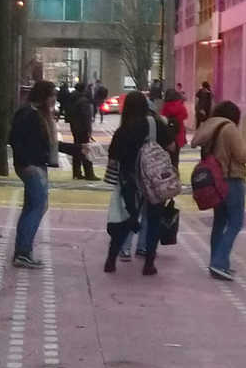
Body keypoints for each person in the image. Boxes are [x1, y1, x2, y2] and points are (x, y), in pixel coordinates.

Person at [104, 91, 171, 276]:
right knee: (154, 219)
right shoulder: (154, 123)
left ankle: (112, 258)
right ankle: (149, 262)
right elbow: (171, 145)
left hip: (130, 180)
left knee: (125, 218)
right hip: (154, 179)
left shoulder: (124, 129)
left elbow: (114, 156)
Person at [192, 100, 246, 281]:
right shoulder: (229, 129)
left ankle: (216, 262)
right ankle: (219, 263)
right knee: (236, 222)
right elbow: (242, 155)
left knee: (219, 222)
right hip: (232, 178)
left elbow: (195, 143)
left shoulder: (209, 128)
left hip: (215, 181)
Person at [7, 80, 55, 268]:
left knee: (32, 207)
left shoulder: (36, 114)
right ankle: (23, 252)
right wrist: (27, 162)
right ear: (44, 96)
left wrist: (76, 149)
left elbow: (45, 144)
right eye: (52, 95)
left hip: (34, 165)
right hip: (32, 167)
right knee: (37, 207)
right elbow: (15, 139)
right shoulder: (29, 114)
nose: (54, 99)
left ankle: (23, 251)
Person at [67, 83, 97, 180]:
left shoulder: (72, 98)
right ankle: (89, 173)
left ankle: (76, 172)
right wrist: (89, 130)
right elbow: (86, 118)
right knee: (85, 150)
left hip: (75, 127)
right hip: (83, 129)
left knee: (77, 149)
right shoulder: (84, 101)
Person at [160, 86, 189, 158]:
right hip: (178, 133)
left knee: (168, 156)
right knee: (176, 157)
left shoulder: (166, 106)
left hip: (168, 134)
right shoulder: (180, 106)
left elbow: (163, 118)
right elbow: (185, 115)